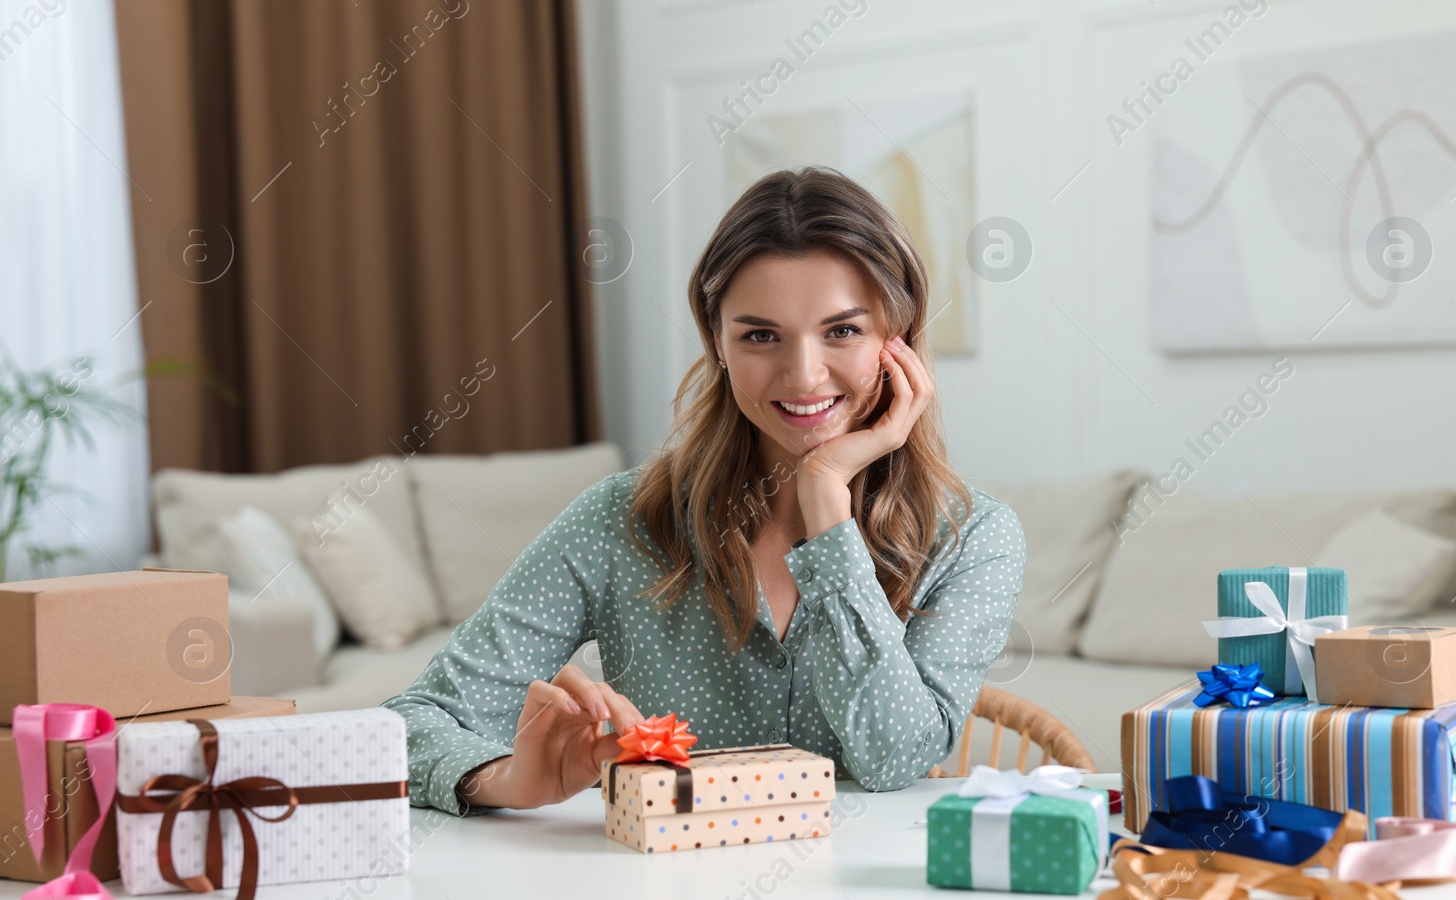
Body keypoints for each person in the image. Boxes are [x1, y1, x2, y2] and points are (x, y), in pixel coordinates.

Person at [382, 165, 1026, 816]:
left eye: (842, 331)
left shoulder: (975, 538)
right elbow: (411, 721)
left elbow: (893, 759)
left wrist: (825, 496)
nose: (804, 375)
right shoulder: (620, 519)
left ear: (901, 337)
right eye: (760, 335)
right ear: (716, 339)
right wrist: (505, 779)